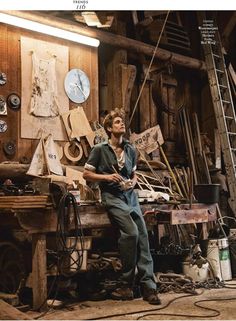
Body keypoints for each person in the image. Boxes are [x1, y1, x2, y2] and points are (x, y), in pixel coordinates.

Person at [83, 108, 161, 305]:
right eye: (117, 122)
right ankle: (126, 284)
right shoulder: (100, 149)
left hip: (130, 196)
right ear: (109, 128)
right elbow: (87, 175)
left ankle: (149, 287)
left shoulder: (131, 150)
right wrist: (107, 177)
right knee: (132, 233)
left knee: (143, 237)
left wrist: (133, 182)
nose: (122, 124)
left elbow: (133, 174)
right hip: (112, 196)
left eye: (122, 122)